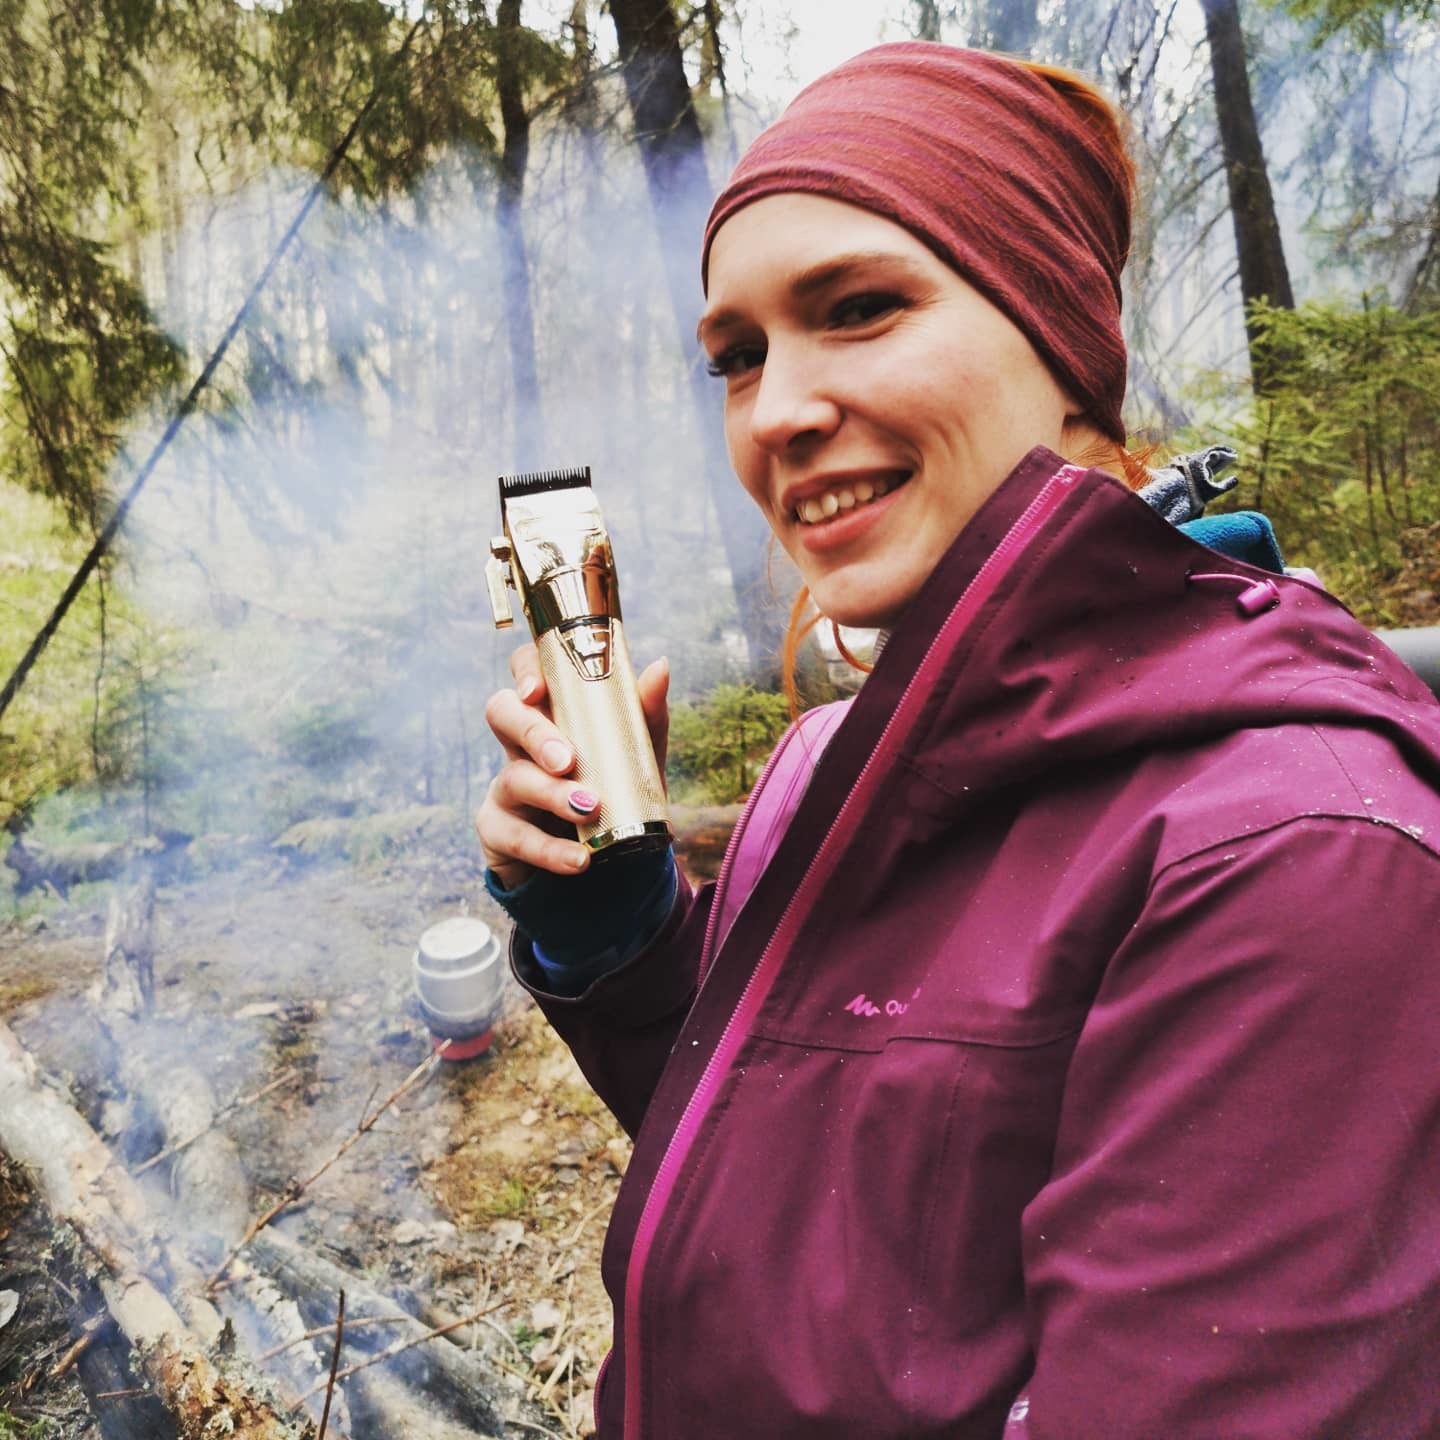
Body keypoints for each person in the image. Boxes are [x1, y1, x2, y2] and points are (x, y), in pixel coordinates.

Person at [477, 42, 1440, 1440]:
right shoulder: (836, 754)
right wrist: (617, 937)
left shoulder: (1291, 851)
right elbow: (805, 1171)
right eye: (737, 358)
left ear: (1063, 344)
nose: (778, 416)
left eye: (861, 308)